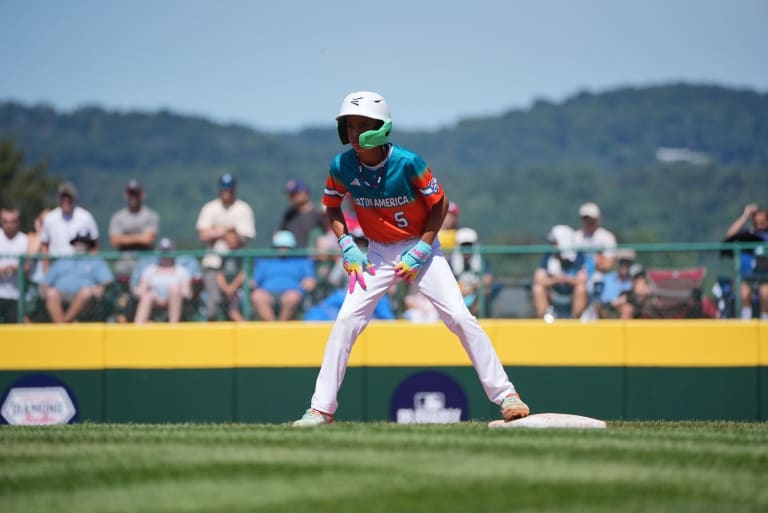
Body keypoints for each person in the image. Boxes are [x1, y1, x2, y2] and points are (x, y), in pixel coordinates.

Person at [292, 91, 529, 427]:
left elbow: (440, 204)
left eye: (363, 125)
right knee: (345, 321)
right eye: (350, 126)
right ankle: (321, 409)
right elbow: (331, 206)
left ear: (381, 128)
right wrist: (346, 244)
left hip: (420, 248)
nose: (355, 133)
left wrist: (422, 248)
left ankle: (506, 395)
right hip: (376, 252)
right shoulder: (341, 165)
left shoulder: (408, 162)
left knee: (459, 316)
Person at [196, 174, 256, 321]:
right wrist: (229, 230)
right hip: (213, 264)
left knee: (239, 307)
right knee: (214, 303)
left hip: (236, 266)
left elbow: (244, 236)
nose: (226, 191)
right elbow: (203, 234)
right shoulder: (210, 208)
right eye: (223, 188)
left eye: (229, 188)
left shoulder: (243, 208)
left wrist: (216, 230)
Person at [42, 229, 113, 323]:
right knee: (51, 293)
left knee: (86, 292)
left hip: (87, 301)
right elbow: (46, 283)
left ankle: (63, 325)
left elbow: (107, 281)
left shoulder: (96, 261)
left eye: (84, 242)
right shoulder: (63, 260)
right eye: (78, 242)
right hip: (62, 295)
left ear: (89, 245)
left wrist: (98, 288)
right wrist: (46, 289)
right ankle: (62, 325)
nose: (80, 245)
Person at [250, 230, 316, 321]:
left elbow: (310, 281)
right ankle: (273, 326)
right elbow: (254, 282)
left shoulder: (302, 262)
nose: (283, 249)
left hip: (292, 294)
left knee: (292, 297)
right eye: (280, 246)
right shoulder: (265, 262)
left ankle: (282, 324)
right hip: (268, 294)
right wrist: (249, 283)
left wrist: (308, 283)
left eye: (286, 247)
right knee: (257, 296)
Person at [531, 225, 589, 320]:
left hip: (571, 292)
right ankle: (544, 319)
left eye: (555, 242)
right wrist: (556, 280)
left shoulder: (578, 256)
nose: (552, 245)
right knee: (538, 289)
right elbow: (539, 279)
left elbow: (583, 280)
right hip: (554, 291)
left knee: (581, 289)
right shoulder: (549, 255)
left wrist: (566, 279)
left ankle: (575, 319)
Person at [39, 182, 100, 268]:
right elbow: (44, 245)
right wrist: (46, 267)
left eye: (68, 197)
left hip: (80, 265)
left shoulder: (86, 217)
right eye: (63, 197)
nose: (66, 200)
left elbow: (94, 245)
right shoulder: (50, 218)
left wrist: (91, 266)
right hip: (56, 265)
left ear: (74, 198)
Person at [133, 237, 192, 324]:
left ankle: (173, 325)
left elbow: (186, 293)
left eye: (168, 251)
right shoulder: (150, 269)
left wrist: (171, 295)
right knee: (147, 296)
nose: (165, 255)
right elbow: (141, 290)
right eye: (163, 252)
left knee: (174, 289)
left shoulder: (181, 271)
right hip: (154, 300)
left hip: (175, 299)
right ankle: (139, 325)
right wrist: (156, 297)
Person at [724, 203, 768, 319]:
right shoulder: (747, 236)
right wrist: (746, 215)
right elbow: (730, 235)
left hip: (765, 278)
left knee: (765, 292)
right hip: (747, 278)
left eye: (763, 221)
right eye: (757, 222)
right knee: (744, 292)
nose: (760, 225)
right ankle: (746, 320)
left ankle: (765, 321)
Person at [108, 179, 160, 276]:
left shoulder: (151, 215)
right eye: (130, 193)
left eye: (136, 193)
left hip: (147, 260)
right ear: (125, 195)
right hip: (124, 261)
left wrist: (124, 238)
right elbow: (114, 240)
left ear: (142, 195)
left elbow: (148, 239)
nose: (133, 197)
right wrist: (140, 237)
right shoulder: (117, 217)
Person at [450, 227, 496, 316]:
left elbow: (488, 280)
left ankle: (475, 317)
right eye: (463, 246)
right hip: (458, 297)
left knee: (485, 292)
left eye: (469, 245)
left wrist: (471, 289)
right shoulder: (451, 263)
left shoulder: (483, 261)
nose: (466, 249)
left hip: (475, 296)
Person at [279, 179, 329, 249]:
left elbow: (327, 235)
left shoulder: (317, 214)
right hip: (292, 254)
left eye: (293, 194)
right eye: (290, 195)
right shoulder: (289, 215)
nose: (290, 197)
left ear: (304, 193)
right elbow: (280, 233)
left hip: (311, 254)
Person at [0, 207, 29, 323]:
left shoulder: (25, 240)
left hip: (17, 296)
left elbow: (27, 267)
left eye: (12, 221)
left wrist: (13, 268)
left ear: (18, 222)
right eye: (5, 221)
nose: (9, 225)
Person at [215, 228, 246, 321]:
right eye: (227, 239)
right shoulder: (224, 257)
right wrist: (226, 288)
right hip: (225, 292)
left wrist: (232, 288)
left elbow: (243, 273)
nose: (230, 241)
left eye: (233, 238)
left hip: (239, 291)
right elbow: (219, 274)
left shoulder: (242, 256)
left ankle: (246, 328)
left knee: (233, 312)